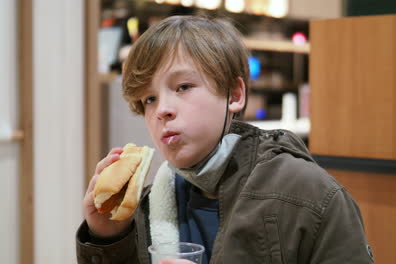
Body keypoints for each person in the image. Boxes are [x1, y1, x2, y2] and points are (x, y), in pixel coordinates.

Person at [76, 15, 374, 264]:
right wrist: (108, 238)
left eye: (183, 86)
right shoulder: (147, 206)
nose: (161, 110)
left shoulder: (310, 196)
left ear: (234, 94)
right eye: (149, 99)